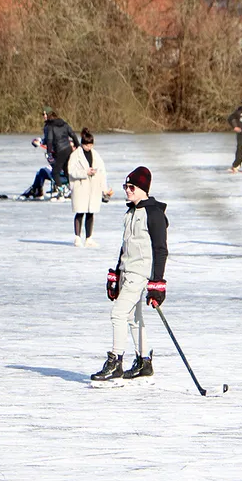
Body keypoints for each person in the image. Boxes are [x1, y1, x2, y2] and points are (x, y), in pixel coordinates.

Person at [91, 166, 169, 382]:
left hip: (140, 273)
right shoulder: (131, 212)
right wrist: (115, 274)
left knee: (118, 314)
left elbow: (160, 250)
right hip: (127, 271)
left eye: (131, 186)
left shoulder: (154, 214)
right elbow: (124, 246)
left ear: (143, 188)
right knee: (134, 319)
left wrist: (157, 284)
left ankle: (115, 361)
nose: (127, 190)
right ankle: (144, 362)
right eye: (126, 186)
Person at [67, 128, 111, 247]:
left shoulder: (96, 155)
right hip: (81, 188)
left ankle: (89, 238)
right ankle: (77, 237)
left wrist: (104, 188)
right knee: (80, 212)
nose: (89, 147)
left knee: (91, 213)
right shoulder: (75, 155)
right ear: (82, 144)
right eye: (87, 145)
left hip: (93, 188)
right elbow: (71, 171)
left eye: (91, 145)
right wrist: (85, 172)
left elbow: (102, 172)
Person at [43, 107, 79, 197]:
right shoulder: (64, 123)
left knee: (55, 172)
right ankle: (72, 191)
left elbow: (50, 140)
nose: (43, 116)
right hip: (68, 149)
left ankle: (61, 191)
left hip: (59, 150)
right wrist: (77, 146)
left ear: (49, 115)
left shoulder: (50, 126)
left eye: (44, 114)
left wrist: (49, 153)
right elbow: (73, 135)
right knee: (67, 171)